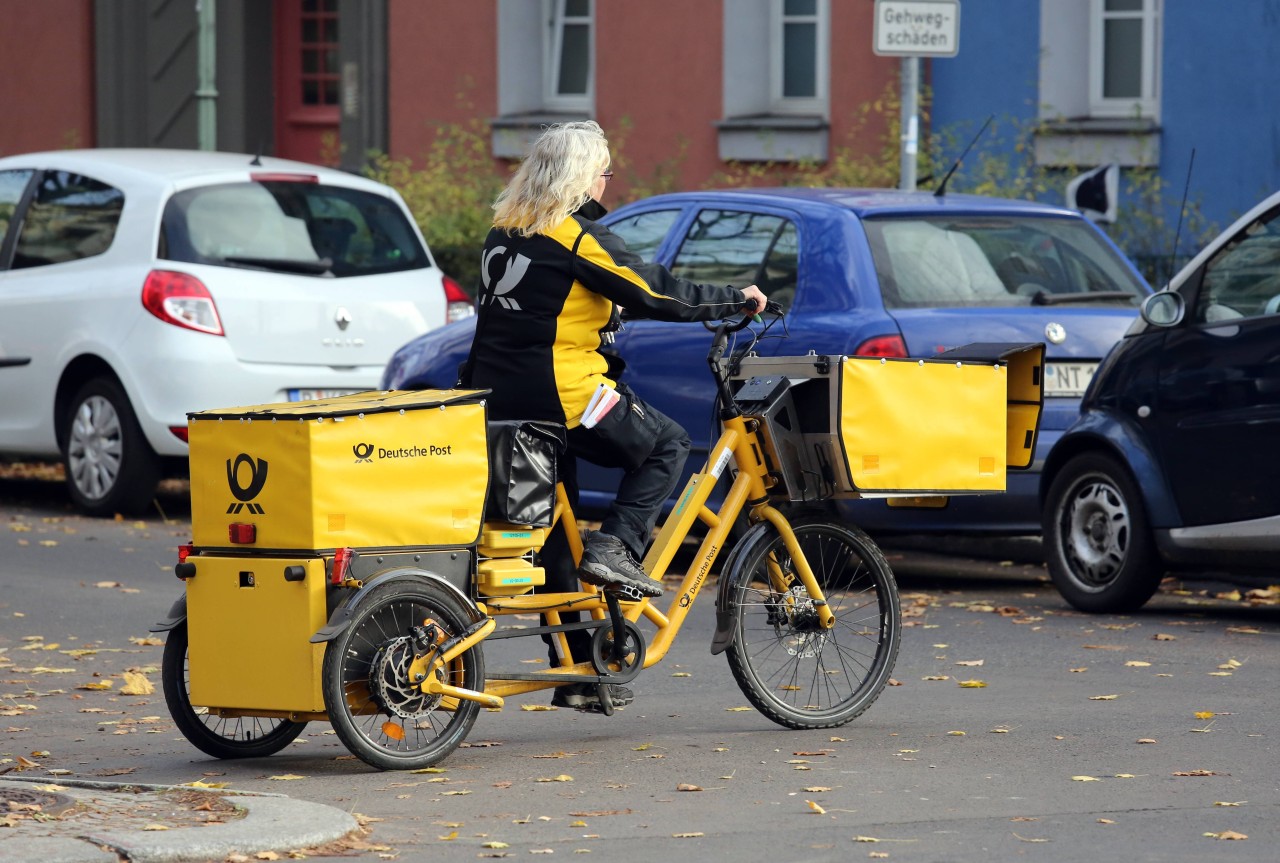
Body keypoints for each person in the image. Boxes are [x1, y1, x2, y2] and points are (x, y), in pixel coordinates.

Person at [466, 120, 766, 712]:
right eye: (604, 171)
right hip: (560, 392)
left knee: (556, 530)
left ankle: (580, 673)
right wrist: (738, 299)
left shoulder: (504, 232)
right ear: (582, 178)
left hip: (496, 399)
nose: (609, 180)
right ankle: (619, 547)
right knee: (666, 446)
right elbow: (654, 291)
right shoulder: (572, 235)